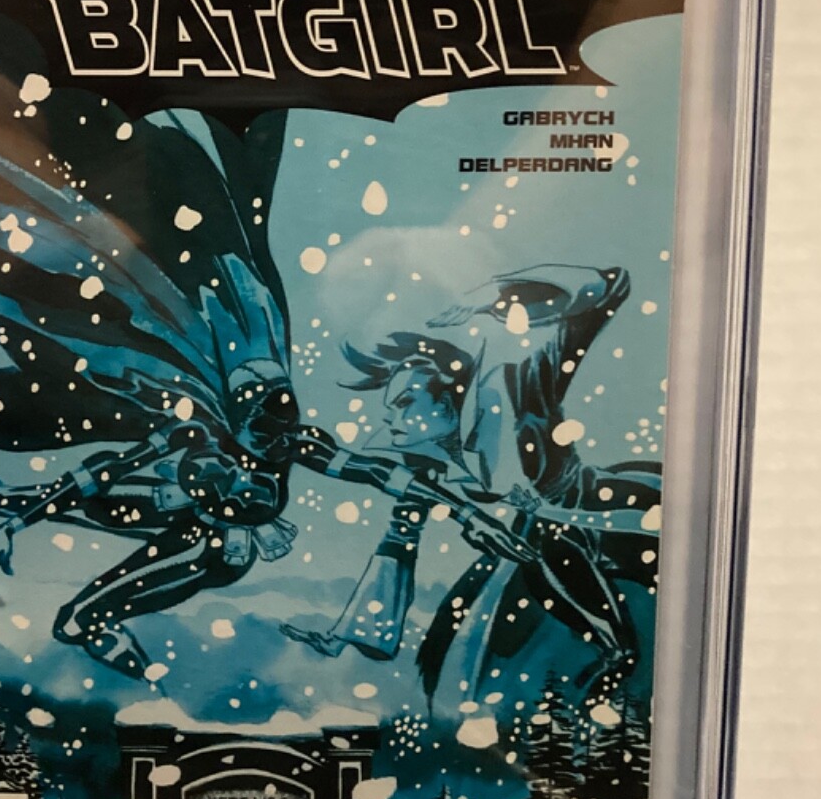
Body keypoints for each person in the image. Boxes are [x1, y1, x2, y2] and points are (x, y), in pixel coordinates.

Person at [283, 264, 661, 699]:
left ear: (447, 399)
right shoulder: (432, 463)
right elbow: (397, 542)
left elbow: (608, 288)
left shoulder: (516, 387)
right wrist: (345, 636)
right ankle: (613, 657)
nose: (391, 419)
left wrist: (497, 291)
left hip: (620, 508)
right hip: (551, 552)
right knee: (545, 561)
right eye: (390, 408)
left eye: (405, 403)